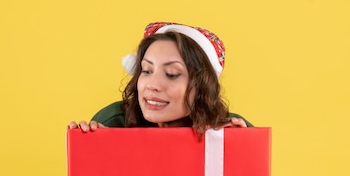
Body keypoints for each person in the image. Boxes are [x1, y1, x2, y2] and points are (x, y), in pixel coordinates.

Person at [68, 22, 252, 135]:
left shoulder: (229, 127)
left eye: (172, 74)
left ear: (202, 86)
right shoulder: (115, 120)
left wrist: (237, 147)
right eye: (146, 71)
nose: (152, 85)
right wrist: (90, 145)